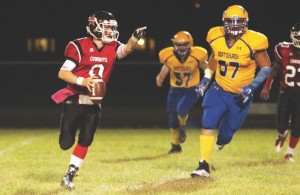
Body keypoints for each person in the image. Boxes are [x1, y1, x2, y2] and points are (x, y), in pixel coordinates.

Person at [51, 11, 146, 189]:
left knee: (86, 139)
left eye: (112, 28)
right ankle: (68, 157)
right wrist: (83, 81)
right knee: (65, 143)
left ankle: (69, 175)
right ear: (95, 27)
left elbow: (126, 49)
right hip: (74, 97)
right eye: (108, 28)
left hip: (94, 100)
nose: (111, 32)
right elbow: (62, 73)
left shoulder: (112, 46)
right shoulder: (79, 46)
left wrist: (134, 38)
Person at [191, 5, 271, 177]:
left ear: (246, 22)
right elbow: (214, 58)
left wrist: (252, 86)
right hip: (218, 89)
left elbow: (265, 68)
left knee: (227, 134)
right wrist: (206, 79)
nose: (234, 26)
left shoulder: (254, 41)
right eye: (230, 22)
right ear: (224, 22)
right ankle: (203, 165)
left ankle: (222, 141)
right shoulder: (215, 35)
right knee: (208, 123)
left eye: (238, 22)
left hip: (241, 96)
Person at [156, 31, 209, 154]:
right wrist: (160, 77)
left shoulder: (197, 55)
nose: (181, 47)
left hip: (192, 88)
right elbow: (167, 66)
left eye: (184, 44)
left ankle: (182, 127)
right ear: (174, 45)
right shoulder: (168, 55)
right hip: (175, 89)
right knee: (172, 118)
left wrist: (206, 79)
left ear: (190, 44)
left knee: (181, 110)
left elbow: (207, 69)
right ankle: (175, 146)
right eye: (178, 44)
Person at [260, 23, 300, 162]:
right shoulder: (283, 49)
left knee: (297, 126)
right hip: (286, 92)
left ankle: (289, 153)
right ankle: (282, 134)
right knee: (281, 125)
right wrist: (267, 86)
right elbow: (276, 69)